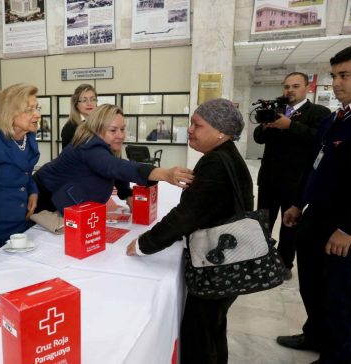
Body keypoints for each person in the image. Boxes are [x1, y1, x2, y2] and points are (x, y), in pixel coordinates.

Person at [127, 98, 253, 364]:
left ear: (220, 131)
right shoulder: (223, 155)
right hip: (226, 258)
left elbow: (187, 216)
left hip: (218, 264)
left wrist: (144, 244)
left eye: (197, 124)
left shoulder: (217, 162)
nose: (190, 130)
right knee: (211, 328)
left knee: (200, 334)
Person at [276, 47, 351, 364]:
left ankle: (337, 355)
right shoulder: (335, 119)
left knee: (338, 294)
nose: (336, 83)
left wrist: (347, 228)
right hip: (315, 215)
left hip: (341, 222)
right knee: (312, 283)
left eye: (344, 75)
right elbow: (314, 164)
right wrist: (297, 203)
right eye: (334, 76)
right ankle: (315, 333)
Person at [34, 104, 194, 214]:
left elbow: (116, 172)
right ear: (97, 130)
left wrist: (127, 194)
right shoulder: (89, 146)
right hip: (43, 199)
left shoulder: (104, 145)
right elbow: (116, 167)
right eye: (113, 130)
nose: (120, 135)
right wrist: (164, 173)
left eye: (123, 129)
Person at [254, 72, 330, 280]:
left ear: (307, 88)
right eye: (287, 86)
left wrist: (290, 126)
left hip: (295, 183)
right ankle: (261, 262)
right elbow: (259, 139)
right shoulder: (275, 110)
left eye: (295, 86)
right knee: (262, 225)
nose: (290, 90)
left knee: (289, 228)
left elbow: (318, 139)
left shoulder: (318, 112)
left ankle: (284, 264)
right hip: (268, 179)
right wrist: (264, 123)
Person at [0, 84, 41, 252]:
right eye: (30, 110)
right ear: (10, 113)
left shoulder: (29, 138)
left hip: (21, 224)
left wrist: (33, 190)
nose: (37, 115)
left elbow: (25, 171)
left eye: (37, 108)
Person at [61, 84, 98, 148]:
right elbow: (68, 156)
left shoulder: (101, 123)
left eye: (92, 99)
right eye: (84, 100)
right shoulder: (70, 127)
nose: (89, 103)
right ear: (76, 104)